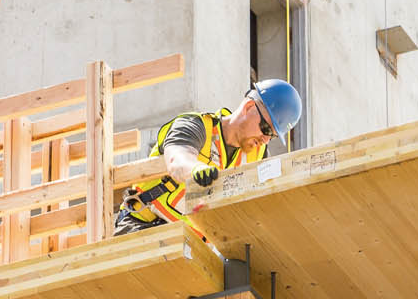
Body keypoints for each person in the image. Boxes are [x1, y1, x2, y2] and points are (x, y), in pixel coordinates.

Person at [113, 79, 302, 235]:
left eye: (272, 136)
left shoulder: (258, 156)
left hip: (190, 244)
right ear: (249, 108)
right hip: (142, 227)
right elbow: (177, 159)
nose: (265, 139)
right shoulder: (195, 126)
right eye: (266, 128)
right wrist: (196, 169)